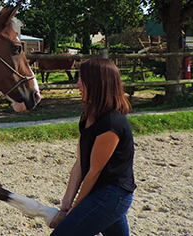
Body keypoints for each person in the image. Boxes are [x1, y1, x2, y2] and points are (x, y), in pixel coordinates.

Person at [49, 58, 136, 236]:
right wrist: (66, 203)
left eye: (82, 79)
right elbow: (81, 163)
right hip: (100, 191)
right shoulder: (87, 117)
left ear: (97, 84)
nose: (78, 84)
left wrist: (75, 208)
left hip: (113, 195)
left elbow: (93, 172)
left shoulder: (112, 123)